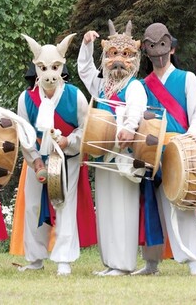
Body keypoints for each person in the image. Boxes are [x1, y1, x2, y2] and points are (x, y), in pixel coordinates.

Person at [11, 33, 96, 276]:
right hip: (37, 158)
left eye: (55, 66)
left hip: (66, 158)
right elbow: (24, 132)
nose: (50, 72)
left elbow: (85, 127)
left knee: (64, 204)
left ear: (62, 67)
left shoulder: (75, 96)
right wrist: (36, 161)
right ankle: (35, 258)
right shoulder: (25, 99)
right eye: (44, 67)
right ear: (36, 68)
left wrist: (69, 140)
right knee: (33, 206)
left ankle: (63, 260)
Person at [135, 23, 196, 276]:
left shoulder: (187, 78)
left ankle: (193, 262)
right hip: (150, 151)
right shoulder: (141, 86)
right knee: (151, 204)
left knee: (184, 205)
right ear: (146, 51)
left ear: (172, 48)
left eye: (162, 46)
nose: (158, 53)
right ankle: (151, 262)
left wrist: (190, 139)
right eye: (152, 48)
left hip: (179, 148)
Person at [77, 20, 146, 276]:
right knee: (105, 208)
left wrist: (128, 127)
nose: (118, 60)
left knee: (123, 208)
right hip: (103, 153)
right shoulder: (101, 86)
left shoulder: (134, 85)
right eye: (112, 54)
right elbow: (84, 70)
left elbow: (137, 108)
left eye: (126, 55)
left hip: (124, 154)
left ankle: (125, 264)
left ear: (135, 59)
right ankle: (110, 263)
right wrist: (87, 45)